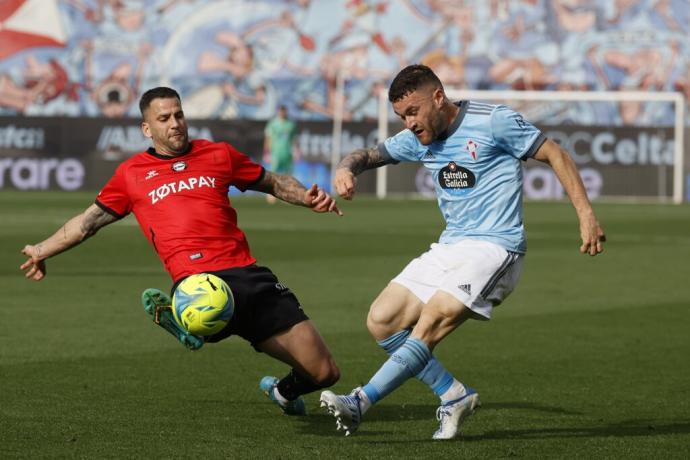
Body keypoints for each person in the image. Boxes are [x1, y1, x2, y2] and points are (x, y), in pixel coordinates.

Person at [319, 64, 605, 439]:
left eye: (413, 111)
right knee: (382, 320)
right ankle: (454, 396)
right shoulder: (418, 137)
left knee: (433, 318)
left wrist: (586, 215)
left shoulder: (493, 121)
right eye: (401, 116)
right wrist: (346, 170)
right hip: (451, 245)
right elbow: (368, 155)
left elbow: (556, 154)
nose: (408, 123)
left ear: (438, 97)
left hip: (496, 246)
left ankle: (360, 401)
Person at [20, 86, 342, 418]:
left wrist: (306, 197)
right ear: (147, 128)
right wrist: (41, 249)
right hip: (197, 280)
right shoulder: (131, 175)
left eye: (179, 114)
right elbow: (87, 223)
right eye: (164, 118)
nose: (175, 123)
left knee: (325, 372)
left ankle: (281, 391)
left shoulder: (218, 154)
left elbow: (272, 181)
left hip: (249, 275)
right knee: (209, 302)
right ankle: (188, 318)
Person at [263, 105, 298, 203]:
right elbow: (268, 138)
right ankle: (271, 194)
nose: (282, 113)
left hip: (287, 153)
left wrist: (296, 150)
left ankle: (288, 196)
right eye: (281, 111)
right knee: (273, 174)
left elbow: (294, 139)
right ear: (278, 112)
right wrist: (266, 152)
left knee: (288, 175)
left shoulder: (291, 124)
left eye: (284, 111)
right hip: (276, 153)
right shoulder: (273, 124)